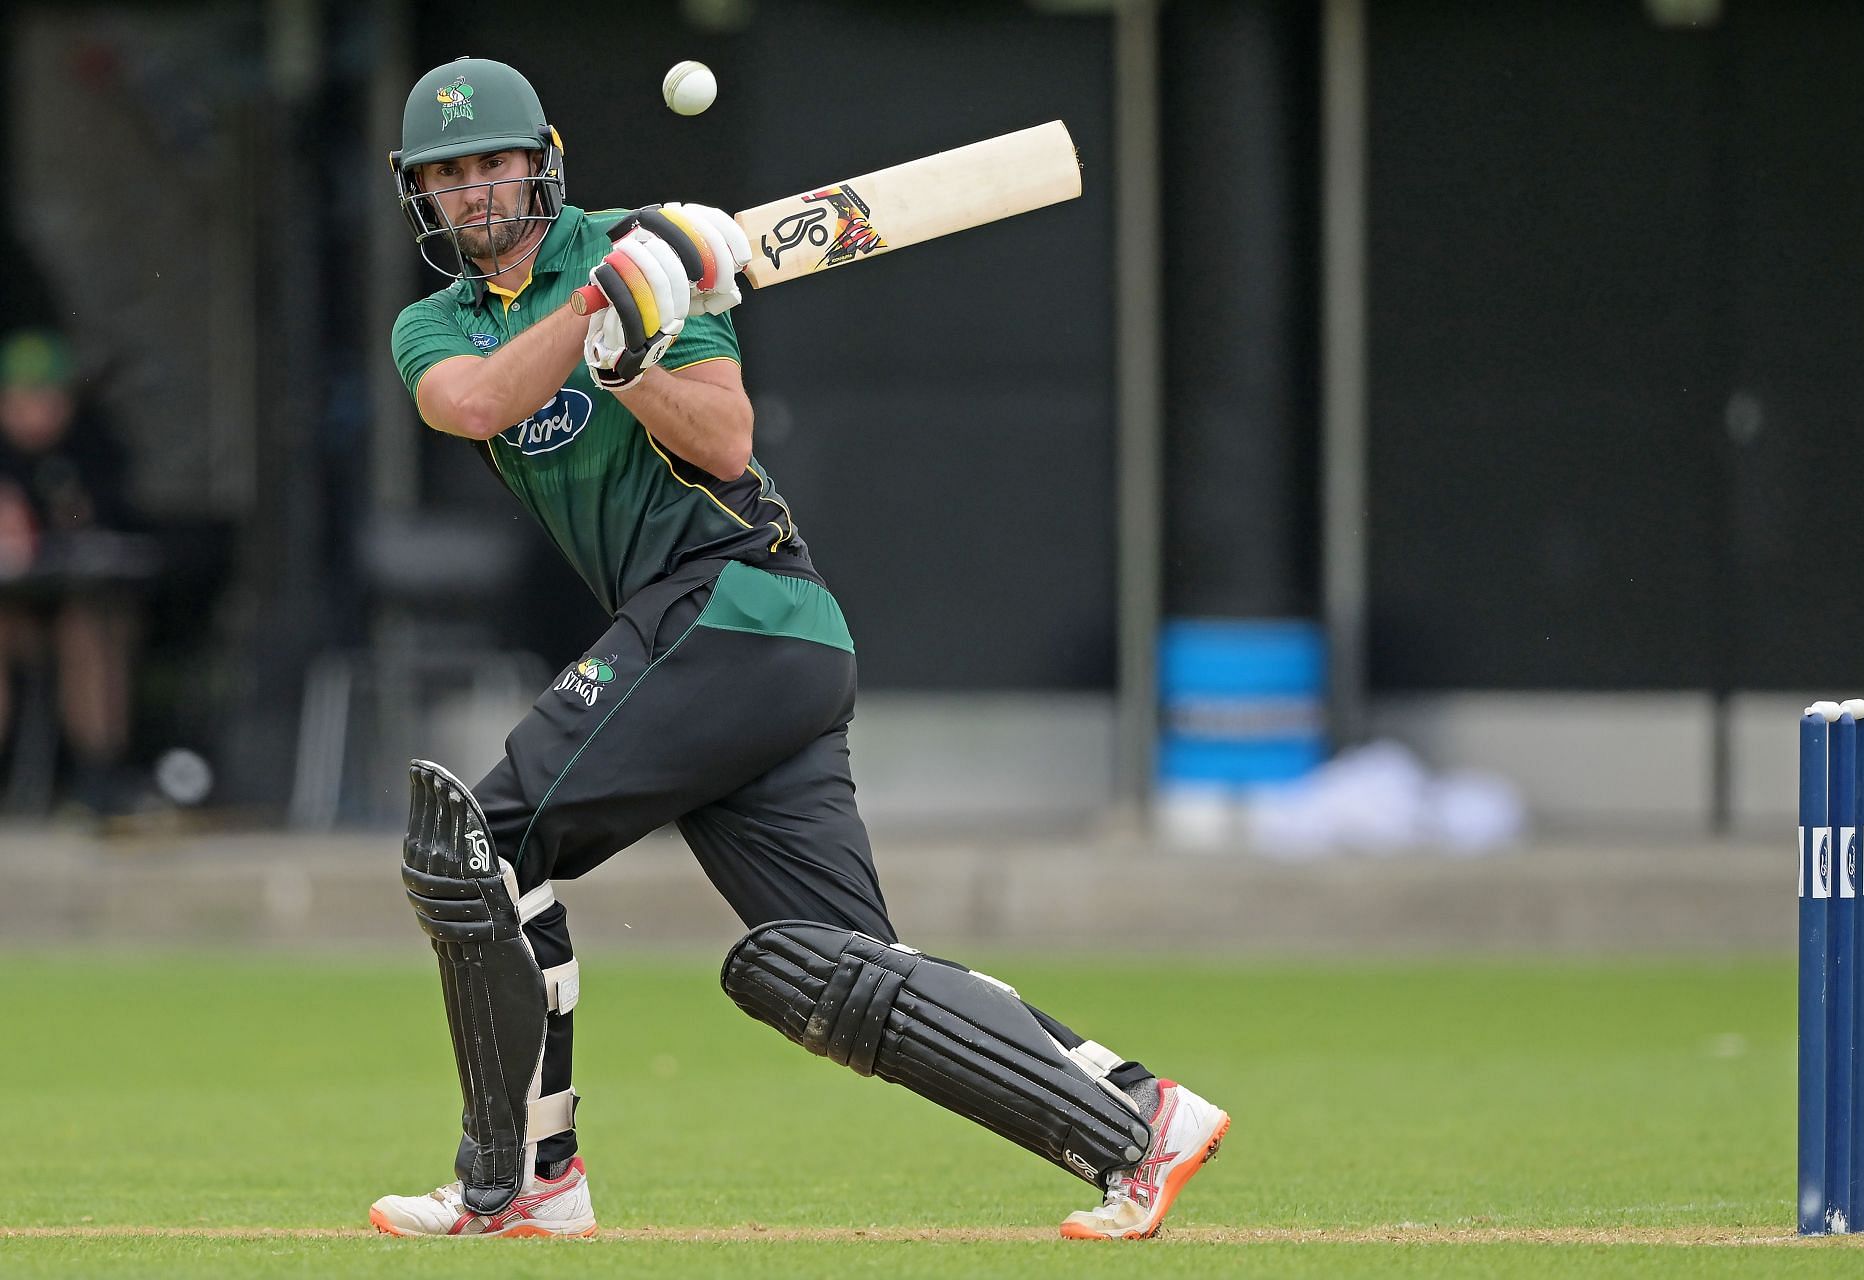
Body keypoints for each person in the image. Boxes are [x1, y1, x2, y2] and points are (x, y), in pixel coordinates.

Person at [371, 57, 1228, 1242]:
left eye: (491, 164)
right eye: (447, 175)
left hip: (735, 604)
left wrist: (634, 354)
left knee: (486, 837)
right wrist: (599, 320)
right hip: (738, 652)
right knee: (837, 971)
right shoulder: (442, 323)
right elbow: (473, 405)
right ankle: (1144, 1118)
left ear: (541, 160)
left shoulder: (640, 245)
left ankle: (524, 1177)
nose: (474, 192)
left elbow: (725, 439)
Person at [0, 329, 139, 812]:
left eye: (50, 399)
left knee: (92, 631)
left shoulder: (92, 446)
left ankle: (98, 777)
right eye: (24, 399)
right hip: (12, 612)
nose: (38, 412)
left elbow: (113, 528)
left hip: (70, 603)